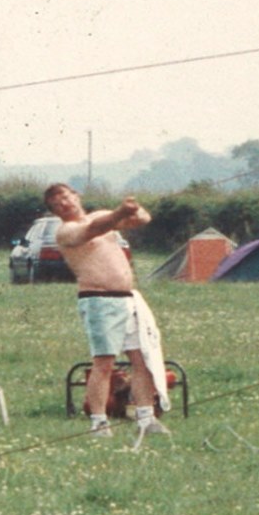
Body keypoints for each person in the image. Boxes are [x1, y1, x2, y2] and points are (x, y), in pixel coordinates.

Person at [46, 183, 168, 443]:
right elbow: (95, 229)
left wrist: (135, 209)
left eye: (66, 197)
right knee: (104, 363)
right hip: (99, 300)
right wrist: (120, 212)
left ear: (76, 196)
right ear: (55, 212)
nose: (64, 204)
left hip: (128, 299)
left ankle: (146, 418)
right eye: (57, 204)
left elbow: (141, 220)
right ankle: (99, 423)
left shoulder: (102, 215)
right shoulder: (66, 231)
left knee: (141, 359)